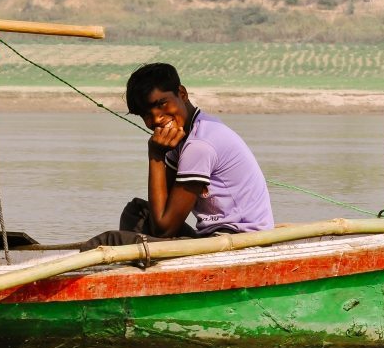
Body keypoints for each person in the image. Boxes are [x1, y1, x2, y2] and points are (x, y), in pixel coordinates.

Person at [81, 63, 274, 249]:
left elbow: (164, 229)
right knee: (137, 212)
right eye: (146, 114)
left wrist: (155, 155)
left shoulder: (199, 144)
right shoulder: (185, 135)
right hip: (212, 237)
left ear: (182, 94)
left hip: (240, 241)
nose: (156, 119)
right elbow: (162, 215)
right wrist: (161, 154)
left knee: (110, 241)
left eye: (162, 104)